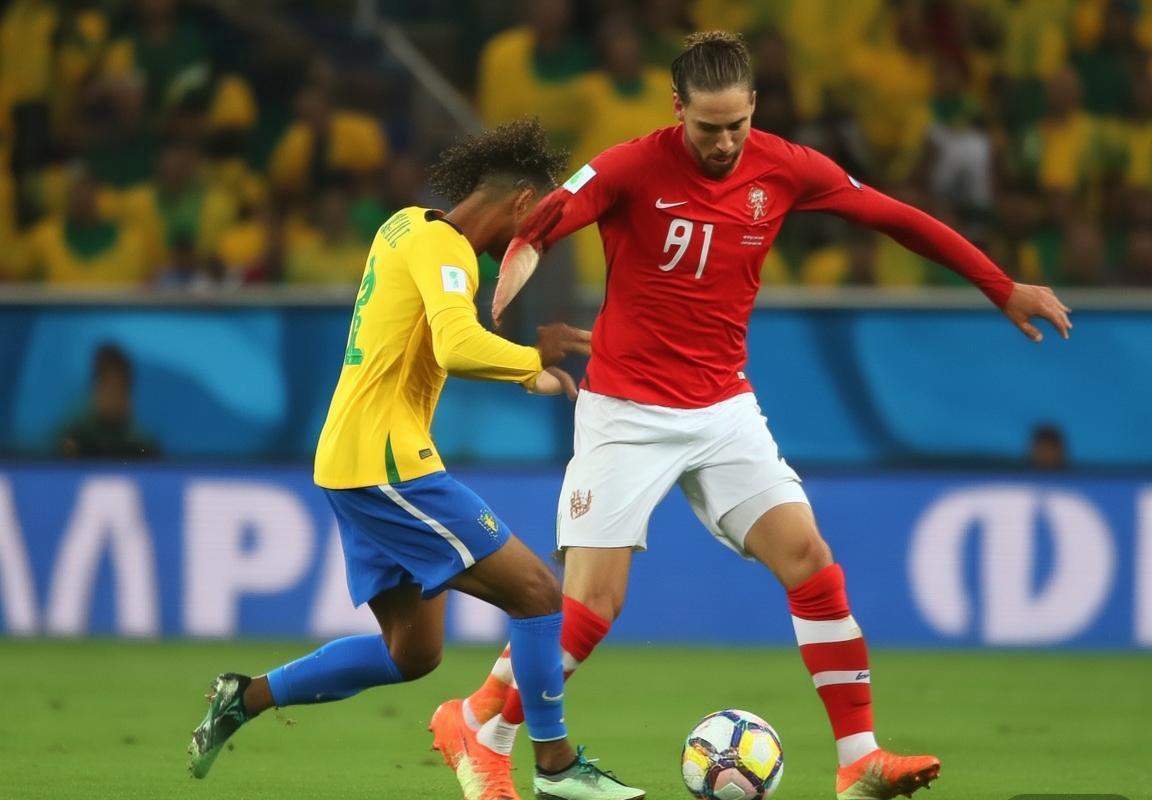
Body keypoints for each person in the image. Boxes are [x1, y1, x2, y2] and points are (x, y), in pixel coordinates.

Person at [449, 32, 1074, 800]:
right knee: (591, 607)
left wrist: (1000, 285)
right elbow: (544, 222)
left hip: (723, 409)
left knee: (809, 559)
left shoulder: (785, 167)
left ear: (754, 106)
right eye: (707, 128)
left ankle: (859, 761)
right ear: (677, 109)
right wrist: (511, 279)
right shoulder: (629, 167)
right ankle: (482, 730)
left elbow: (895, 217)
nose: (723, 143)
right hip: (627, 412)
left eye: (736, 126)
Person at [185, 119, 644, 800]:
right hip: (389, 463)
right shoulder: (449, 251)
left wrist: (523, 372)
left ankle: (243, 697)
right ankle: (556, 766)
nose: (535, 243)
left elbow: (434, 337)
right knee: (539, 595)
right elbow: (457, 344)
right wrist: (532, 358)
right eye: (540, 224)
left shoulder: (404, 226)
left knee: (413, 652)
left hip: (348, 460)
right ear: (522, 202)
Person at [59, 343, 159, 458]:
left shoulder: (142, 444)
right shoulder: (73, 435)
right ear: (96, 389)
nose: (115, 397)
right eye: (109, 388)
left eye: (121, 389)